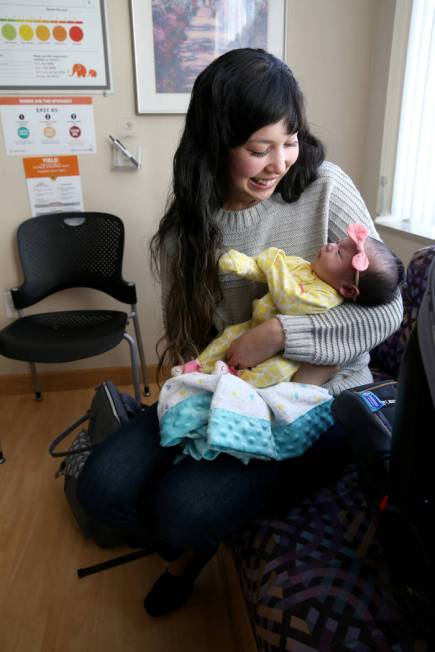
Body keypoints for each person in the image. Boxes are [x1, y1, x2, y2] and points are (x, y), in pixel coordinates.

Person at [76, 48, 403, 618]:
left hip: (317, 400)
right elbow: (200, 335)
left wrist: (279, 332)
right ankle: (194, 521)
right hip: (227, 384)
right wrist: (197, 386)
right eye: (259, 148)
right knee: (101, 488)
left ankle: (192, 551)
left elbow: (384, 312)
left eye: (291, 139)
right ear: (217, 142)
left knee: (185, 510)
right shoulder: (190, 227)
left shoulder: (324, 187)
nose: (279, 162)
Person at [171, 225, 404, 388]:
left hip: (296, 366)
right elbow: (261, 270)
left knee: (276, 371)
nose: (331, 245)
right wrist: (244, 265)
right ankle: (197, 368)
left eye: (339, 252)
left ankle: (236, 386)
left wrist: (274, 266)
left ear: (347, 290)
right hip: (248, 330)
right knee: (228, 337)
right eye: (336, 242)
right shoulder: (304, 267)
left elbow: (289, 300)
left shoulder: (324, 296)